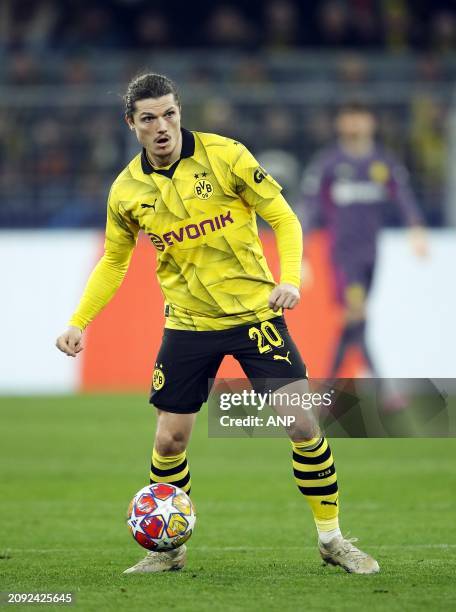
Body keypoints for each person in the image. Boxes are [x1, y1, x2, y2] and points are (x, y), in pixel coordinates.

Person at [56, 74, 379, 575]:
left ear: (179, 110)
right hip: (188, 324)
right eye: (149, 118)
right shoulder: (125, 191)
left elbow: (285, 218)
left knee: (301, 424)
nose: (162, 126)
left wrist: (288, 278)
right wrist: (80, 321)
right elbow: (114, 262)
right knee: (169, 440)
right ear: (132, 124)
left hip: (255, 316)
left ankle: (332, 538)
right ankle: (167, 551)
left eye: (169, 114)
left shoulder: (225, 156)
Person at [301, 102, 427, 378]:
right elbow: (309, 207)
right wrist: (302, 252)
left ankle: (329, 388)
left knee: (354, 320)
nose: (355, 124)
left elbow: (403, 197)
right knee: (355, 313)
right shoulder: (330, 164)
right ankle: (379, 387)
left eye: (360, 118)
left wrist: (415, 228)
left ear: (371, 122)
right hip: (343, 254)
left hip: (371, 252)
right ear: (340, 124)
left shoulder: (383, 163)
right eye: (349, 119)